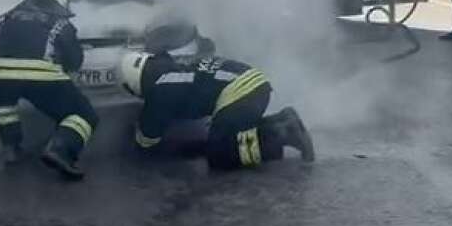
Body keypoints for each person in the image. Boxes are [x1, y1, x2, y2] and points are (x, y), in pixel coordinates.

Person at [116, 50, 314, 170]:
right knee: (232, 135)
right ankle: (283, 120)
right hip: (254, 82)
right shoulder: (169, 67)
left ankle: (280, 136)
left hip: (239, 92)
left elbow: (146, 142)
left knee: (220, 154)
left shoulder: (159, 91)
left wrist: (131, 137)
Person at [0, 0, 97, 180]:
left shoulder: (1, 19)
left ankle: (11, 149)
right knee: (84, 114)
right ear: (60, 0)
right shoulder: (61, 23)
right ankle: (60, 150)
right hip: (42, 77)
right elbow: (74, 60)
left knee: (5, 110)